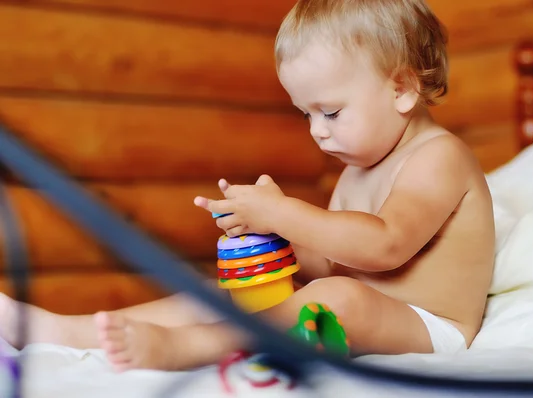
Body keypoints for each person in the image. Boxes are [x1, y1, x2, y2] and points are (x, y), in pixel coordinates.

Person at [0, 0, 495, 371]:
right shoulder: (356, 168)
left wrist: (287, 214)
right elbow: (329, 261)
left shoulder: (438, 158)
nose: (316, 130)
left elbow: (386, 245)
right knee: (228, 289)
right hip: (357, 304)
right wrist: (268, 240)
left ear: (403, 88)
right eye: (306, 114)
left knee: (339, 298)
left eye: (332, 111)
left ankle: (188, 348)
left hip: (428, 327)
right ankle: (69, 330)